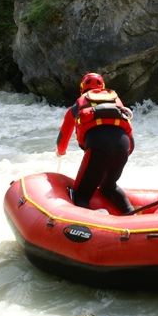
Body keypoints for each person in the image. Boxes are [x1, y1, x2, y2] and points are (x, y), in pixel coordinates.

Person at [56, 72, 135, 214]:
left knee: (80, 196)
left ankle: (98, 220)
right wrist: (120, 155)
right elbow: (130, 137)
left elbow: (64, 134)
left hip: (98, 146)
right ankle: (131, 214)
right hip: (123, 147)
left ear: (82, 88)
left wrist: (60, 152)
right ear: (103, 87)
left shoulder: (79, 103)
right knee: (109, 186)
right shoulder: (116, 100)